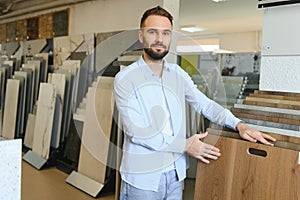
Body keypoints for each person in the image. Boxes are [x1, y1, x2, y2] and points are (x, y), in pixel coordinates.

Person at [114, 6, 276, 200]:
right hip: (143, 180)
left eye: (166, 33)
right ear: (141, 36)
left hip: (175, 176)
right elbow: (137, 131)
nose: (160, 39)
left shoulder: (178, 74)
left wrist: (239, 125)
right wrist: (184, 145)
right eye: (153, 32)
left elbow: (205, 105)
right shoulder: (126, 78)